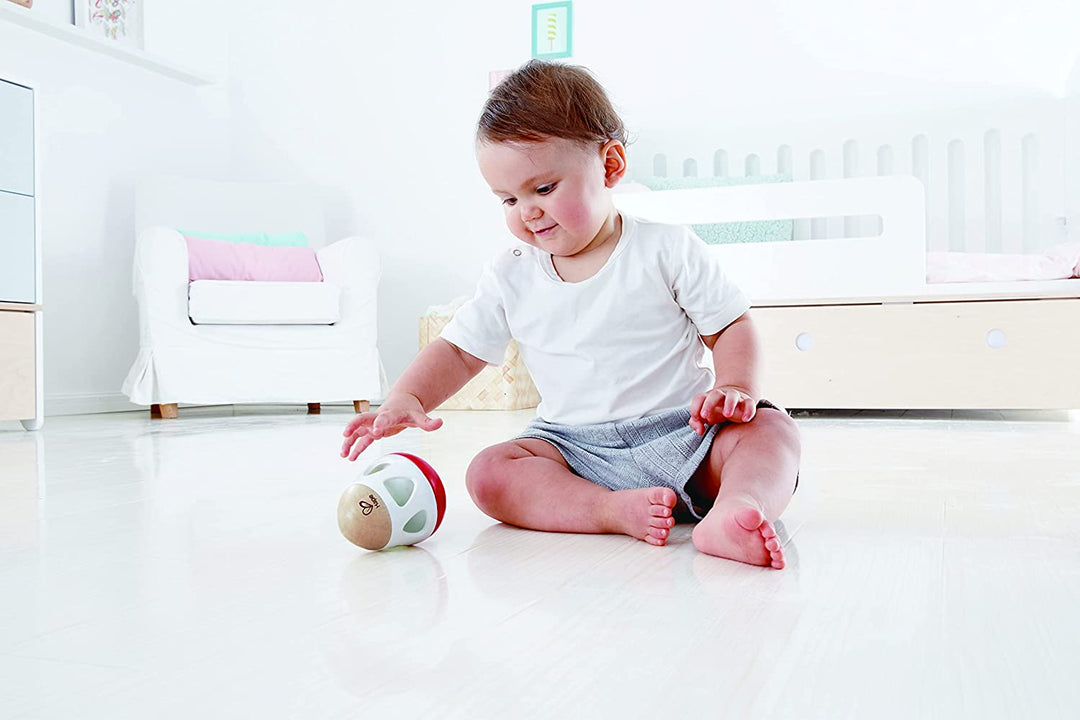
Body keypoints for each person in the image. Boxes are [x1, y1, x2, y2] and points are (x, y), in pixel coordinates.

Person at [341, 60, 801, 568]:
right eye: (507, 199)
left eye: (543, 189)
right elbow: (458, 350)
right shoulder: (510, 274)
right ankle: (608, 510)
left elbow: (731, 324)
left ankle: (737, 510)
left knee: (771, 431)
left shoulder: (666, 248)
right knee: (490, 473)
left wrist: (735, 387)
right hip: (573, 451)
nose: (527, 211)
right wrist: (408, 396)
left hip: (683, 435)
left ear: (610, 166)